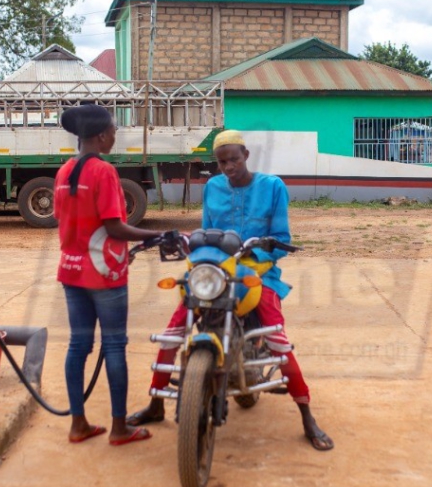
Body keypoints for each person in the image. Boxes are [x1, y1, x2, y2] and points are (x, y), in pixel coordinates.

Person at [127, 131, 334, 451]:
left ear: (246, 155)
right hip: (216, 269)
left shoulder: (272, 187)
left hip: (257, 272)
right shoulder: (213, 187)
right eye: (222, 162)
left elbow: (280, 236)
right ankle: (156, 403)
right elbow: (208, 231)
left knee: (278, 338)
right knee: (174, 328)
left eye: (234, 159)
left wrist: (259, 254)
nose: (228, 167)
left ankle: (307, 414)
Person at [55, 104, 168, 446]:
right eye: (114, 131)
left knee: (78, 346)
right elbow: (115, 227)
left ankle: (78, 424)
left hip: (71, 271)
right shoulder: (104, 172)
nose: (115, 136)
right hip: (104, 276)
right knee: (115, 345)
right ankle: (119, 428)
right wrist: (158, 235)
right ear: (102, 136)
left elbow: (73, 223)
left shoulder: (64, 171)